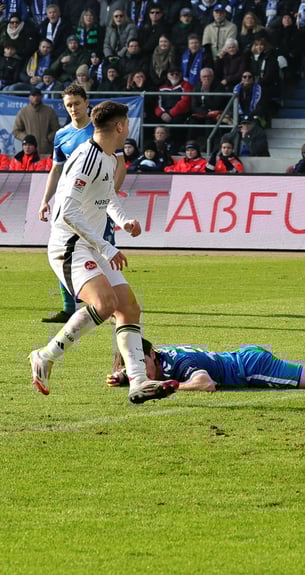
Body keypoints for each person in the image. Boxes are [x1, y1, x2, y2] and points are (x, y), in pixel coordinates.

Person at [29, 100, 175, 404]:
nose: (129, 129)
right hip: (70, 245)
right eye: (127, 124)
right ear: (120, 126)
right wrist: (107, 247)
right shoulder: (87, 159)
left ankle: (138, 382)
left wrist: (124, 220)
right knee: (106, 304)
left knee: (129, 308)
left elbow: (107, 197)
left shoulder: (108, 157)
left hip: (92, 243)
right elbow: (67, 211)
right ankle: (45, 355)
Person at [38, 85, 125, 324]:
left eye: (77, 103)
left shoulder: (99, 129)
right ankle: (70, 307)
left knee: (104, 251)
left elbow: (118, 165)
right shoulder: (62, 135)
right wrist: (46, 200)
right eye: (69, 105)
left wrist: (109, 197)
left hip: (97, 204)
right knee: (67, 250)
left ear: (87, 103)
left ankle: (107, 301)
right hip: (73, 203)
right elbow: (56, 170)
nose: (73, 108)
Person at [107, 338, 305, 393]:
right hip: (246, 358)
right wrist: (125, 379)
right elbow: (146, 375)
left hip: (249, 368)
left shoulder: (178, 365)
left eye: (137, 364)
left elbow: (205, 383)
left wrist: (168, 387)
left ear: (150, 356)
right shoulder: (160, 357)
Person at [12, 86, 58, 155]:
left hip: (46, 150)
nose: (36, 98)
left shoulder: (49, 111)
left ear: (41, 97)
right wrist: (27, 139)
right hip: (29, 152)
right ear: (29, 97)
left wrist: (48, 139)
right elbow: (16, 131)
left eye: (38, 95)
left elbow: (56, 129)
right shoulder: (23, 112)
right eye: (33, 95)